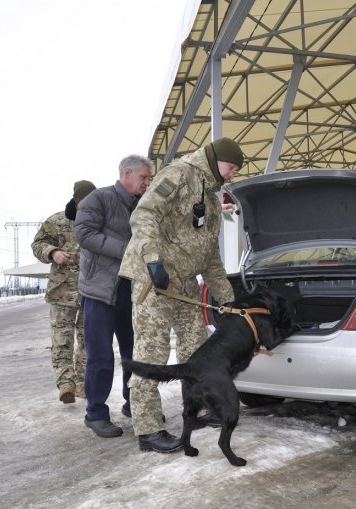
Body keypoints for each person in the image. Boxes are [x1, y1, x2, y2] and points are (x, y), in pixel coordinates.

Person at [119, 137, 242, 453]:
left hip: (184, 281)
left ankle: (199, 409)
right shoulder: (179, 173)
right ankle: (148, 430)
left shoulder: (212, 200)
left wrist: (226, 299)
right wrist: (153, 260)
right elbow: (143, 215)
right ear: (218, 160)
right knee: (152, 353)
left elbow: (210, 255)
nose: (233, 175)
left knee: (196, 348)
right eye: (232, 168)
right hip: (154, 278)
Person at [74, 155, 152, 438]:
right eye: (143, 177)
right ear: (127, 173)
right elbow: (83, 233)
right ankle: (95, 413)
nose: (147, 182)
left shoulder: (143, 204)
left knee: (135, 352)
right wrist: (126, 251)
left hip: (130, 291)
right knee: (101, 356)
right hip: (98, 293)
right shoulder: (100, 198)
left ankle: (133, 403)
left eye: (148, 178)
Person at [31, 179, 96, 404]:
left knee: (88, 341)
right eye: (86, 201)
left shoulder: (98, 221)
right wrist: (53, 252)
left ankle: (82, 383)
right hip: (62, 292)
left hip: (90, 292)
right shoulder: (57, 221)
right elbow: (37, 244)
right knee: (62, 340)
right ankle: (65, 384)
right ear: (77, 200)